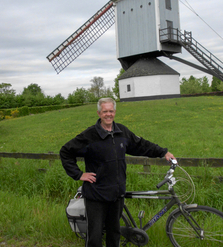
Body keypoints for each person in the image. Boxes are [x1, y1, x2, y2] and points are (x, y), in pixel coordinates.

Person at [60, 97, 176, 247]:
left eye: (111, 111)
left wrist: (163, 152)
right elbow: (65, 151)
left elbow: (141, 145)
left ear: (115, 112)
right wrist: (79, 174)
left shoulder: (122, 132)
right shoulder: (89, 135)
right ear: (99, 113)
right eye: (105, 111)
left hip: (116, 193)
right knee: (94, 236)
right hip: (96, 194)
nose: (108, 114)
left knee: (114, 234)